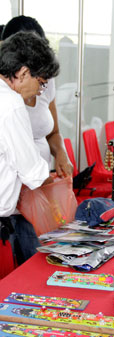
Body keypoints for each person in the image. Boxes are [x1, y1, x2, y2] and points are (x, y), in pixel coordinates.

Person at [1, 16, 73, 264]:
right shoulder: (10, 103)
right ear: (22, 73)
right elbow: (32, 172)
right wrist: (54, 185)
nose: (41, 91)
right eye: (40, 84)